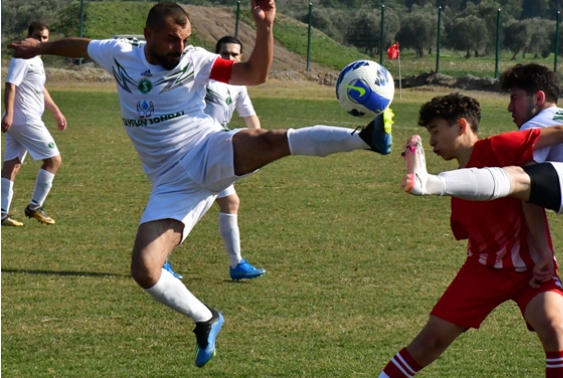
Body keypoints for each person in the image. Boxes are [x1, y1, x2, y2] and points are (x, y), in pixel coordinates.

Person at [9, 1, 394, 368]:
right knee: (145, 270)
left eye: (186, 39)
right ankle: (207, 318)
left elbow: (255, 74)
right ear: (148, 35)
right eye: (171, 40)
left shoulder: (197, 61)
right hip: (168, 184)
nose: (180, 47)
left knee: (271, 140)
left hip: (206, 148)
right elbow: (81, 45)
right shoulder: (119, 52)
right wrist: (40, 48)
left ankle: (363, 138)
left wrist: (265, 25)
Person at [403, 67, 563, 377]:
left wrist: (546, 247)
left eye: (515, 98)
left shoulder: (537, 122)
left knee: (517, 175)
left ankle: (431, 183)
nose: (509, 107)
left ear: (538, 97)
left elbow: (531, 184)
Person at [382, 93, 563, 378]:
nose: (433, 141)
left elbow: (543, 174)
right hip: (483, 270)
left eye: (436, 132)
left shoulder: (499, 147)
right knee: (429, 341)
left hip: (532, 271)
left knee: (553, 325)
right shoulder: (457, 186)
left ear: (461, 126)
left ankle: (422, 179)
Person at [163, 35, 265, 281]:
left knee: (227, 203)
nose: (230, 58)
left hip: (215, 151)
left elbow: (251, 119)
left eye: (235, 54)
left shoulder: (238, 85)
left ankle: (237, 264)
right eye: (225, 53)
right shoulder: (204, 79)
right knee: (192, 205)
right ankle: (160, 260)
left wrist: (261, 145)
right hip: (193, 149)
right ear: (216, 55)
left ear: (241, 58)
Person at [2, 21, 67, 227]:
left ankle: (1, 212)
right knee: (54, 160)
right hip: (24, 119)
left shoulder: (36, 58)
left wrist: (56, 112)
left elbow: (40, 88)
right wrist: (9, 114)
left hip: (23, 120)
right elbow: (11, 85)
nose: (41, 40)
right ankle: (34, 207)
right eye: (38, 36)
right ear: (29, 36)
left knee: (12, 165)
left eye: (45, 37)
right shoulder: (22, 57)